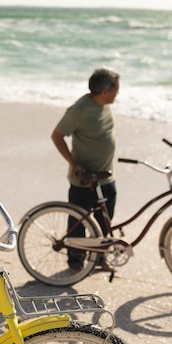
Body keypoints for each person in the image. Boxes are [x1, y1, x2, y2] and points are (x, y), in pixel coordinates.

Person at [50, 67, 120, 270]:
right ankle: (75, 263)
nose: (118, 93)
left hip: (106, 176)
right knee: (78, 223)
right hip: (84, 179)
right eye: (116, 89)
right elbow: (57, 136)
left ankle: (99, 258)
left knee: (105, 220)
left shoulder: (105, 103)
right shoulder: (78, 110)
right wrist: (73, 163)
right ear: (105, 91)